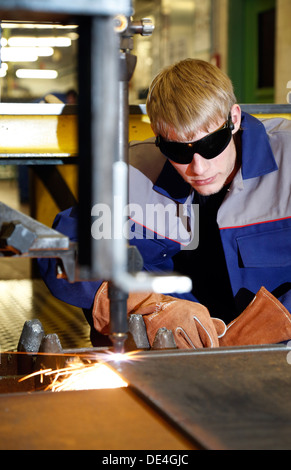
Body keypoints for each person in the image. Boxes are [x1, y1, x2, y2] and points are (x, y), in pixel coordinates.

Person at [38, 58, 291, 348]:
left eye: (210, 145)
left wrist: (279, 321)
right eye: (178, 151)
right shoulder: (134, 174)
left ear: (233, 119)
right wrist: (143, 305)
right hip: (172, 357)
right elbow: (60, 252)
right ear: (158, 137)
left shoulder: (288, 158)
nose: (199, 168)